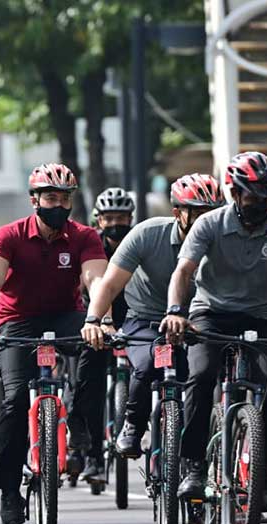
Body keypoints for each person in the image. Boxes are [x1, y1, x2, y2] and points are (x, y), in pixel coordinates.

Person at [161, 152, 267, 502]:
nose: (261, 202)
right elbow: (183, 272)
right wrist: (176, 311)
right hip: (211, 313)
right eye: (253, 195)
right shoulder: (209, 224)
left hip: (263, 316)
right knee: (200, 377)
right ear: (234, 193)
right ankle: (194, 466)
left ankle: (261, 467)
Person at [0, 163, 108, 524]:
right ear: (35, 200)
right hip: (18, 320)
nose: (58, 205)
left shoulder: (85, 236)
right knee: (15, 400)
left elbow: (96, 280)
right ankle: (8, 490)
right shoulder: (9, 235)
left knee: (99, 348)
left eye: (65, 199)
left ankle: (79, 424)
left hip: (66, 315)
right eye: (51, 197)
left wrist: (99, 320)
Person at [81, 174, 225, 457]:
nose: (205, 222)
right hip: (145, 319)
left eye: (212, 214)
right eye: (196, 214)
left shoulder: (224, 243)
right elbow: (109, 283)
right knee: (146, 366)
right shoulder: (147, 234)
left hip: (198, 321)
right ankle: (133, 425)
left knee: (202, 376)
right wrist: (94, 320)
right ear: (177, 214)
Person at [91, 187, 135, 329]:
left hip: (134, 315)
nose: (115, 223)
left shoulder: (140, 243)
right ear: (99, 221)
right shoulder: (90, 244)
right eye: (109, 218)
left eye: (121, 218)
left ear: (130, 219)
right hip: (94, 315)